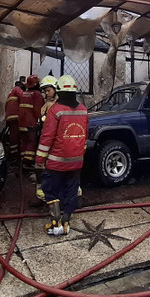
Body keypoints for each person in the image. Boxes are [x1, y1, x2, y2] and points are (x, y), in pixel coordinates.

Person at [36, 75, 88, 236]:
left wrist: (39, 159)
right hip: (76, 162)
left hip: (56, 162)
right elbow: (84, 135)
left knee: (50, 189)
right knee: (71, 191)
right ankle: (66, 223)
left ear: (58, 91)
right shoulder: (83, 110)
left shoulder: (55, 110)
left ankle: (55, 221)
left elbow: (47, 137)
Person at [34, 75, 59, 202]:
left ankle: (46, 195)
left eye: (48, 90)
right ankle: (42, 194)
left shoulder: (58, 105)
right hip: (45, 138)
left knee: (45, 166)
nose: (46, 93)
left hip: (52, 140)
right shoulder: (47, 104)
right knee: (40, 166)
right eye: (45, 91)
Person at [18, 75, 44, 170]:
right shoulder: (37, 94)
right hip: (30, 122)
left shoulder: (24, 93)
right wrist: (41, 119)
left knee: (23, 141)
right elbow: (38, 110)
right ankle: (28, 162)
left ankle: (22, 159)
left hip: (21, 122)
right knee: (31, 141)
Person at [5, 83, 24, 165]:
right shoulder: (17, 89)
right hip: (15, 116)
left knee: (13, 136)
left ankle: (12, 153)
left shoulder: (10, 94)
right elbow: (24, 98)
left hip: (9, 117)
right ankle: (14, 155)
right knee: (15, 137)